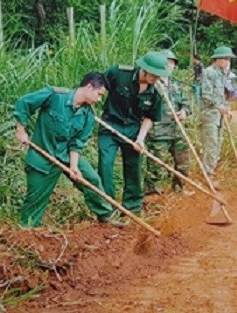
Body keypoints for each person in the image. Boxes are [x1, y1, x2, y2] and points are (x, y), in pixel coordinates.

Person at [14, 73, 125, 228]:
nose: (99, 100)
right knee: (35, 200)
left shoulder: (89, 116)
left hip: (67, 155)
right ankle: (27, 230)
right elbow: (24, 103)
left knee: (91, 179)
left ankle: (105, 215)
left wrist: (73, 167)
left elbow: (77, 143)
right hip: (43, 155)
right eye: (99, 94)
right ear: (89, 86)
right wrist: (21, 130)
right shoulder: (55, 96)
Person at [98, 52, 170, 214]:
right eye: (154, 75)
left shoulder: (156, 91)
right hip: (109, 126)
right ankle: (107, 207)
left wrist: (140, 138)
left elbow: (150, 117)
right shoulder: (119, 73)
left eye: (160, 76)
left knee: (133, 167)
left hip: (133, 129)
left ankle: (132, 207)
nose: (156, 79)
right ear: (144, 69)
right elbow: (98, 85)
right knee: (105, 165)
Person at [145, 50, 193, 196]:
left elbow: (187, 104)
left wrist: (184, 112)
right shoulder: (151, 84)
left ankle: (179, 188)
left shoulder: (177, 85)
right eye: (166, 62)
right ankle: (151, 193)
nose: (169, 65)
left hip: (177, 130)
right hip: (158, 132)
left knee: (183, 162)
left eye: (172, 63)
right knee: (156, 166)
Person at [200, 46, 236, 187]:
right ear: (218, 59)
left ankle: (212, 171)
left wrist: (227, 109)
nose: (227, 62)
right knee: (211, 145)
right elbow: (206, 94)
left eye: (229, 59)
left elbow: (222, 96)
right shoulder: (208, 72)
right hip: (209, 116)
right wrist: (218, 106)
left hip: (219, 117)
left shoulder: (222, 74)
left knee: (218, 144)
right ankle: (207, 175)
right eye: (225, 59)